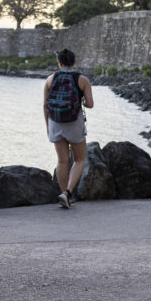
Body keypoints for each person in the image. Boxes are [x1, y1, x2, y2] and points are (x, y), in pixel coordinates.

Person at [43, 49, 94, 209]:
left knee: (62, 161)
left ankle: (64, 194)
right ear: (74, 61)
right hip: (74, 123)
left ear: (59, 62)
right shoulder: (82, 80)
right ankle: (68, 193)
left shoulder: (50, 79)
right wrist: (82, 101)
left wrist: (47, 127)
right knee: (79, 160)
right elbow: (90, 104)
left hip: (55, 123)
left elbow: (45, 106)